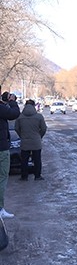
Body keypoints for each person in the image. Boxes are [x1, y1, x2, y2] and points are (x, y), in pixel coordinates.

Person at [15, 99, 47, 181]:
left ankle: (24, 176)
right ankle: (37, 176)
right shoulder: (39, 116)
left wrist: (22, 136)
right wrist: (39, 136)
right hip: (36, 141)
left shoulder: (20, 117)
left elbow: (16, 128)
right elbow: (43, 128)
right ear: (34, 106)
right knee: (37, 160)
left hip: (25, 142)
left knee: (24, 160)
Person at [0, 91, 20, 219]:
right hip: (1, 148)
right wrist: (12, 101)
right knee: (2, 177)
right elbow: (14, 113)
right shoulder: (1, 108)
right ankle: (0, 208)